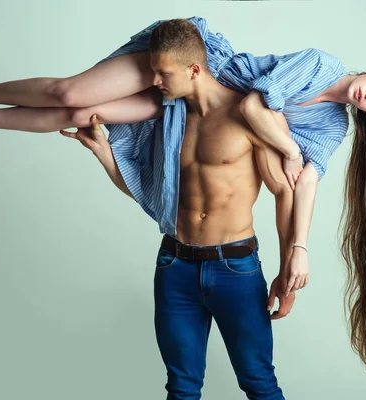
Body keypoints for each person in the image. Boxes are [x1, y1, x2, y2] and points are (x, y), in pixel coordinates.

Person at [0, 17, 366, 395]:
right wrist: (285, 146)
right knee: (70, 94)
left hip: (216, 187)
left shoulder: (329, 126)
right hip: (197, 67)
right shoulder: (319, 65)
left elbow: (298, 184)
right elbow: (259, 106)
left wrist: (297, 256)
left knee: (85, 118)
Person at [61, 19, 296, 399]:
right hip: (175, 266)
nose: (155, 80)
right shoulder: (169, 121)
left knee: (258, 381)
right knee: (181, 387)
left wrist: (288, 268)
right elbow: (154, 197)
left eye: (163, 72)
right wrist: (104, 153)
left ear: (194, 70)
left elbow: (284, 191)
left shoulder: (249, 116)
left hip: (235, 267)